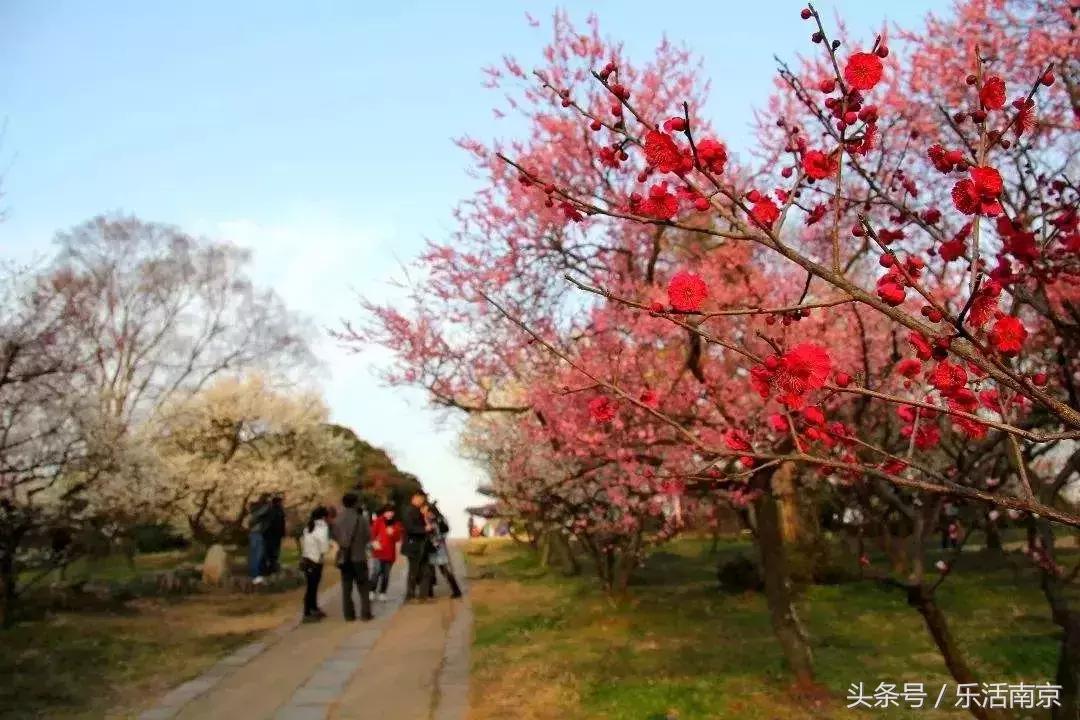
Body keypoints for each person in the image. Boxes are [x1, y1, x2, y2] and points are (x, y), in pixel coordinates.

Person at [333, 493, 373, 621]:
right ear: (356, 503)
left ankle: (349, 614)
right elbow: (368, 536)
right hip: (359, 556)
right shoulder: (361, 519)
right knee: (363, 587)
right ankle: (365, 613)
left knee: (346, 587)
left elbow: (334, 536)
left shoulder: (337, 520)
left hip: (345, 557)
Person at [424, 502, 462, 599]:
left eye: (429, 512)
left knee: (445, 570)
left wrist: (437, 539)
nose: (428, 514)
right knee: (430, 572)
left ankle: (456, 590)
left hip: (439, 549)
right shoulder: (426, 520)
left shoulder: (440, 520)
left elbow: (445, 532)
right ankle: (429, 593)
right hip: (430, 548)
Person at [300, 506, 330, 621]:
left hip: (307, 558)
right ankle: (308, 611)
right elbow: (323, 546)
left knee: (311, 586)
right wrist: (327, 549)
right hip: (316, 559)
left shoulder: (308, 527)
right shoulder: (322, 527)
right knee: (312, 587)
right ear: (323, 516)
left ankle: (313, 608)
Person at [402, 491, 432, 601]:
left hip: (422, 545)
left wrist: (425, 516)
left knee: (425, 571)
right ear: (414, 498)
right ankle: (410, 595)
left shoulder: (419, 511)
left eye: (423, 499)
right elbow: (410, 528)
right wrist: (424, 529)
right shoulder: (409, 511)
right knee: (414, 571)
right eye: (421, 499)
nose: (422, 501)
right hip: (413, 545)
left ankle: (423, 596)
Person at [369, 504, 401, 601]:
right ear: (384, 512)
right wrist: (374, 542)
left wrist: (393, 533)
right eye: (388, 512)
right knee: (376, 572)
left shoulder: (396, 524)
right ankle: (372, 591)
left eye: (391, 512)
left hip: (390, 553)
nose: (390, 514)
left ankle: (383, 592)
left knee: (386, 575)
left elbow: (398, 538)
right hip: (378, 552)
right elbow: (372, 534)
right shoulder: (378, 521)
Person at [248, 493, 271, 585]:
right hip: (257, 533)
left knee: (256, 555)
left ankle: (255, 575)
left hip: (255, 533)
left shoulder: (255, 508)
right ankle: (255, 576)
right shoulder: (260, 509)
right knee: (257, 555)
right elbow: (261, 514)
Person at [263, 494, 286, 575]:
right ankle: (271, 567)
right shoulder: (276, 511)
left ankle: (272, 567)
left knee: (272, 552)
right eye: (280, 502)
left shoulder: (274, 510)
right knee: (273, 552)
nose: (282, 503)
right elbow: (278, 523)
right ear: (278, 502)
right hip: (273, 535)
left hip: (273, 535)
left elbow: (282, 523)